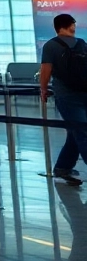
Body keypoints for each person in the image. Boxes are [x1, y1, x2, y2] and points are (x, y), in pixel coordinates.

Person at [41, 14, 87, 188]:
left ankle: (62, 167)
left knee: (79, 132)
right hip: (84, 93)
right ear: (71, 26)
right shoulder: (81, 44)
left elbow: (46, 69)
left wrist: (43, 89)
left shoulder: (51, 45)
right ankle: (62, 167)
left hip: (66, 96)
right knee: (80, 132)